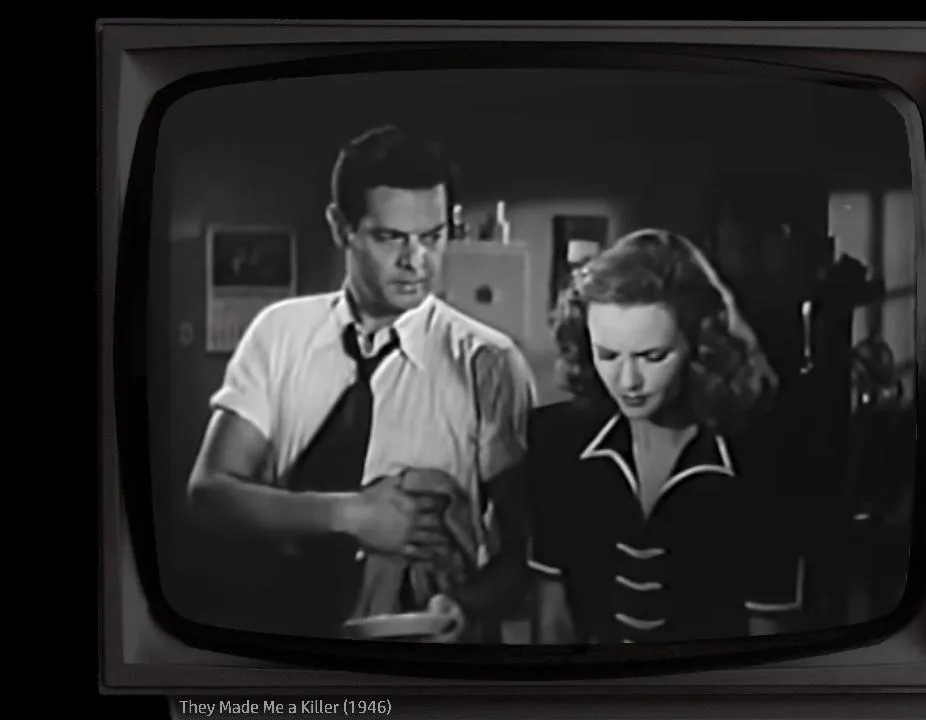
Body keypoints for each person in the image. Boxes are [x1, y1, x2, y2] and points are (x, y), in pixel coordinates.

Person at [186, 125, 536, 640]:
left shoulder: (489, 362)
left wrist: (464, 607)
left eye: (433, 237)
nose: (415, 261)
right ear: (341, 227)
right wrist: (352, 514)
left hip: (422, 646)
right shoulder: (280, 333)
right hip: (281, 633)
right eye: (389, 238)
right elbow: (210, 494)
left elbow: (531, 550)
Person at [526, 228, 801, 644]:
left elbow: (767, 640)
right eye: (608, 355)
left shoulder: (762, 460)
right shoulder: (557, 441)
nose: (628, 381)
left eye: (653, 357)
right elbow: (552, 623)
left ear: (700, 346)